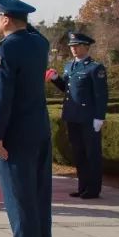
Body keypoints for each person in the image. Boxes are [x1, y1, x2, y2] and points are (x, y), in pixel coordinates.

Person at [0, 0, 54, 237]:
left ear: (5, 19)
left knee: (19, 202)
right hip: (39, 131)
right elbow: (33, 33)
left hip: (14, 136)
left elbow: (1, 98)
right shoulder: (39, 44)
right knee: (39, 202)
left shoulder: (4, 50)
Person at [47, 32, 108, 199]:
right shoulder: (69, 66)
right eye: (72, 46)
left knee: (92, 154)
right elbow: (66, 89)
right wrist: (55, 78)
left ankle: (93, 189)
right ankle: (83, 187)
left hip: (88, 118)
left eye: (77, 46)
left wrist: (99, 117)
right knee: (79, 153)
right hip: (72, 116)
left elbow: (101, 95)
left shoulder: (95, 68)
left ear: (86, 47)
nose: (73, 49)